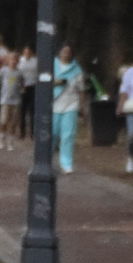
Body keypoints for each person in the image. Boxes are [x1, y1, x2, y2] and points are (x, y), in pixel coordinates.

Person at [50, 43, 86, 173]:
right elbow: (43, 81)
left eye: (68, 52)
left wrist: (83, 106)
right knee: (52, 133)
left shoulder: (77, 70)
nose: (66, 54)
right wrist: (56, 82)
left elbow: (81, 89)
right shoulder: (51, 64)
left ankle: (66, 163)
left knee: (68, 135)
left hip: (71, 103)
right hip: (54, 103)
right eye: (64, 51)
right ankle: (47, 161)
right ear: (59, 52)